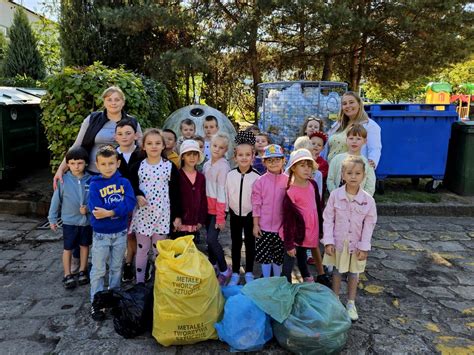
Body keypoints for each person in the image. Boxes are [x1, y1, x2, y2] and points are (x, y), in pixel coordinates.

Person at [322, 155, 377, 321]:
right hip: (338, 243)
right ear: (343, 175)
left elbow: (370, 224)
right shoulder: (335, 196)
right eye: (350, 173)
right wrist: (328, 241)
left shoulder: (368, 201)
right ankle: (335, 300)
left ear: (364, 176)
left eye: (358, 173)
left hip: (357, 245)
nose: (353, 176)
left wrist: (364, 246)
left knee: (354, 273)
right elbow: (328, 219)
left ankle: (351, 303)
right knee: (337, 272)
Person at [53, 86, 142, 184]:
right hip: (93, 173)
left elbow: (142, 148)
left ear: (123, 102)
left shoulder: (132, 122)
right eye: (109, 100)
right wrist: (61, 169)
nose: (113, 103)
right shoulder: (92, 119)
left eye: (117, 99)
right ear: (104, 102)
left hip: (121, 174)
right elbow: (77, 145)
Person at [88, 145, 136, 321]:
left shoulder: (124, 183)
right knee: (99, 269)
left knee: (116, 268)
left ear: (117, 163)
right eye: (103, 163)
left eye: (111, 163)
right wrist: (118, 209)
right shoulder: (94, 185)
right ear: (97, 165)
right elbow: (95, 209)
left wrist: (110, 212)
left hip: (120, 232)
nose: (107, 167)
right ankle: (97, 302)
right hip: (101, 234)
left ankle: (113, 299)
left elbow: (130, 204)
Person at [129, 128, 182, 284]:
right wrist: (138, 195)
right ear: (143, 146)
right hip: (143, 215)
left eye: (157, 143)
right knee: (142, 250)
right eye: (150, 143)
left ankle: (158, 283)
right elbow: (130, 186)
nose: (154, 146)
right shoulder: (137, 167)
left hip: (162, 215)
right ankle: (139, 282)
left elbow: (176, 193)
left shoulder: (170, 166)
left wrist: (177, 216)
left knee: (158, 251)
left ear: (163, 145)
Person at [48, 147, 92, 289]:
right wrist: (52, 218)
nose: (76, 166)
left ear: (86, 163)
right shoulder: (63, 180)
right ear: (67, 164)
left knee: (85, 246)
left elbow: (95, 200)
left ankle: (82, 270)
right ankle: (67, 274)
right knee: (68, 248)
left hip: (86, 221)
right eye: (72, 163)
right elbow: (56, 201)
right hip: (69, 221)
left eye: (79, 163)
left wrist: (88, 209)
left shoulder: (91, 180)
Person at [281, 149, 324, 284]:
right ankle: (285, 285)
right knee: (290, 259)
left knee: (302, 254)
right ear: (293, 167)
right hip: (294, 234)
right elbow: (287, 221)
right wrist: (289, 244)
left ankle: (305, 274)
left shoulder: (313, 184)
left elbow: (318, 206)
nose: (307, 169)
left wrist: (321, 228)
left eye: (309, 165)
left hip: (310, 230)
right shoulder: (290, 192)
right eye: (302, 165)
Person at [226, 131, 260, 285]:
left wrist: (257, 219)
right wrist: (226, 211)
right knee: (236, 242)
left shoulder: (257, 177)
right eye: (241, 155)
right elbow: (226, 193)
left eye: (248, 154)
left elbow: (259, 199)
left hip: (250, 214)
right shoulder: (230, 175)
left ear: (253, 156)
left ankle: (249, 271)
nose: (244, 158)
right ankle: (234, 272)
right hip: (234, 214)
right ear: (235, 157)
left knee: (250, 244)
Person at [251, 144, 288, 278]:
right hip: (264, 227)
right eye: (270, 160)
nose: (274, 163)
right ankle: (266, 280)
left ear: (284, 160)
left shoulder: (288, 181)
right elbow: (256, 205)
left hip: (281, 228)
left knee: (278, 257)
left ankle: (277, 280)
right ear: (264, 162)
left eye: (277, 159)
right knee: (265, 255)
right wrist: (256, 225)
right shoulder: (260, 182)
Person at [114, 119, 143, 282]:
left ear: (136, 135)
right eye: (120, 134)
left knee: (140, 236)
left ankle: (140, 264)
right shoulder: (112, 155)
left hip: (140, 201)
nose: (124, 137)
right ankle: (127, 263)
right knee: (128, 236)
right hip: (120, 202)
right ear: (115, 136)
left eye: (128, 133)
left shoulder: (141, 153)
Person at [203, 132, 232, 285]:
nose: (217, 149)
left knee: (212, 239)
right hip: (208, 208)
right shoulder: (207, 164)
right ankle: (212, 265)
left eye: (221, 148)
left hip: (218, 209)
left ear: (225, 150)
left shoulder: (223, 167)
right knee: (209, 241)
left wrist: (220, 217)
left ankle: (225, 269)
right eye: (215, 146)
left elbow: (222, 194)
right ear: (210, 145)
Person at [325, 91, 381, 167]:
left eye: (351, 102)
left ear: (359, 104)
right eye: (344, 104)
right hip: (331, 170)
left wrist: (372, 163)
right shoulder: (338, 124)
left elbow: (375, 149)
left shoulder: (370, 125)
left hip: (352, 172)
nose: (348, 106)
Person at [172, 139, 207, 243]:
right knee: (178, 250)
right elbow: (173, 198)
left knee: (191, 250)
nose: (192, 157)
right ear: (182, 156)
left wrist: (201, 220)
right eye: (188, 154)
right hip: (179, 222)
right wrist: (174, 218)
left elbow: (203, 200)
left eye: (195, 154)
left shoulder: (201, 177)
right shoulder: (177, 175)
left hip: (194, 222)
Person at [327, 124, 376, 196]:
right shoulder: (337, 159)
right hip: (338, 201)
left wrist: (363, 199)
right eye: (351, 138)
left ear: (365, 141)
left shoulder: (367, 163)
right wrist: (335, 195)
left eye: (358, 139)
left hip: (359, 203)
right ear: (346, 140)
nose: (354, 141)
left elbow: (370, 185)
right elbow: (330, 179)